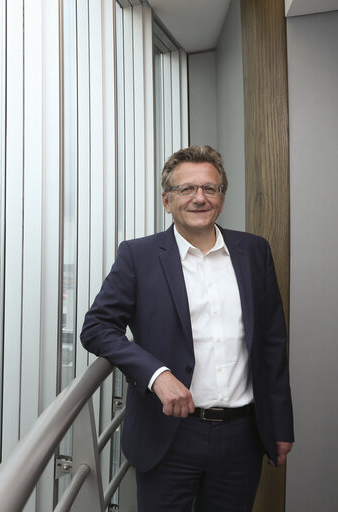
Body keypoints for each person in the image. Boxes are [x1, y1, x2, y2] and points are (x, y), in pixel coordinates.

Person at [79, 145, 294, 511]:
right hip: (169, 436)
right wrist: (156, 374)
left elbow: (272, 342)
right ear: (166, 200)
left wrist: (281, 424)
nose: (199, 198)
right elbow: (97, 327)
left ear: (222, 199)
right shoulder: (139, 256)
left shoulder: (255, 252)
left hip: (243, 435)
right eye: (186, 190)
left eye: (210, 189)